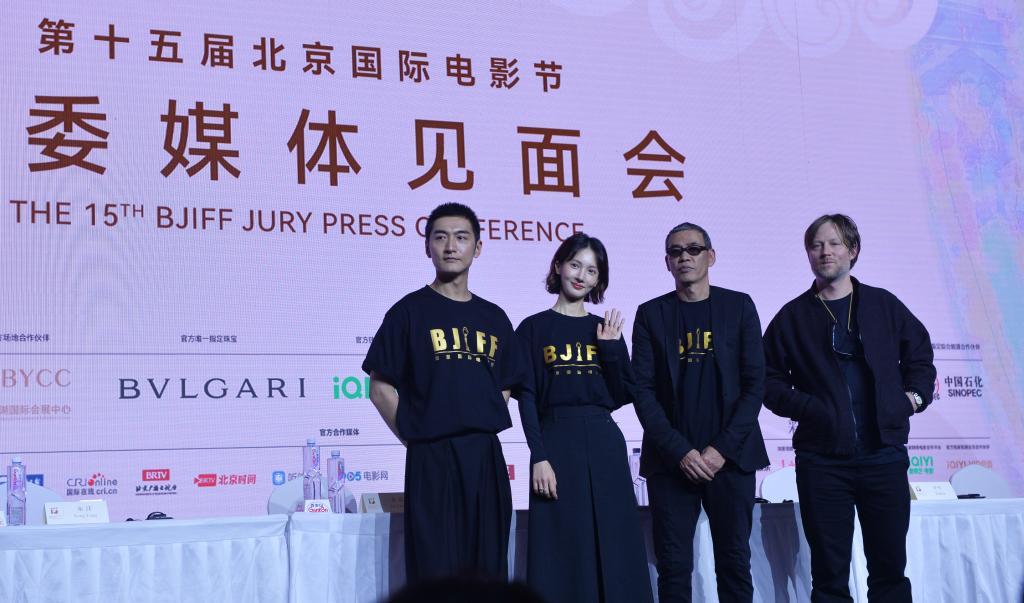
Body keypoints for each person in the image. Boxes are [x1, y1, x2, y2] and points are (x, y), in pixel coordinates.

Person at [762, 214, 935, 602]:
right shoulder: (792, 316)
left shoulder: (883, 304)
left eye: (834, 243)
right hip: (822, 462)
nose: (825, 252)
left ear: (853, 250)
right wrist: (812, 408)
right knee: (829, 576)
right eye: (816, 245)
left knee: (890, 571)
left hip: (884, 456)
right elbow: (767, 381)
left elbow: (920, 355)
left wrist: (912, 399)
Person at [362, 202, 526, 583]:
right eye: (441, 237)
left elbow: (505, 382)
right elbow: (380, 388)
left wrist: (476, 416)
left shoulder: (494, 317)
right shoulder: (408, 312)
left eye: (461, 237)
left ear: (477, 248)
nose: (451, 246)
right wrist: (416, 437)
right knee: (435, 572)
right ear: (428, 247)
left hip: (485, 457)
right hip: (431, 458)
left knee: (488, 570)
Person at [632, 222, 769, 603]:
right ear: (667, 262)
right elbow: (642, 391)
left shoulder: (738, 307)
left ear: (711, 256)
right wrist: (681, 452)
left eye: (693, 249)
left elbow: (755, 383)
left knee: (734, 562)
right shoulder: (651, 314)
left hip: (731, 459)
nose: (685, 257)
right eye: (676, 252)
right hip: (671, 462)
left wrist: (720, 450)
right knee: (673, 567)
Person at [514, 233, 653, 603]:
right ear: (559, 266)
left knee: (615, 541)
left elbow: (622, 395)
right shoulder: (532, 328)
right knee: (561, 545)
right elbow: (527, 398)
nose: (581, 275)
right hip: (556, 442)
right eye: (575, 265)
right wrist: (538, 456)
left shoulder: (604, 328)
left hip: (604, 441)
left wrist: (611, 349)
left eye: (591, 271)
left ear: (598, 280)